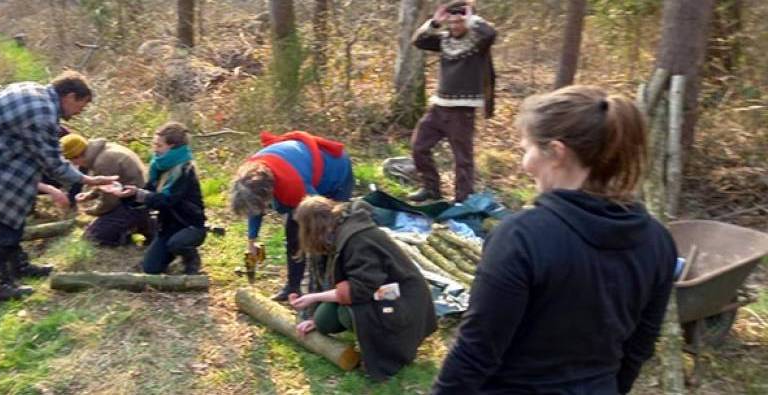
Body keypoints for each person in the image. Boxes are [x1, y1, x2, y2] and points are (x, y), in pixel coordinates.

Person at [433, 86, 677, 393]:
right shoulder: (658, 242)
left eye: (528, 149)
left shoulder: (521, 238)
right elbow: (638, 348)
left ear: (557, 153)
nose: (525, 163)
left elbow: (476, 352)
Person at [0, 70, 116, 301]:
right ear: (70, 96)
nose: (81, 111)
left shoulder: (33, 89)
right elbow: (52, 162)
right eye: (82, 104)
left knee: (12, 219)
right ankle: (1, 285)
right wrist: (88, 180)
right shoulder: (41, 112)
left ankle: (19, 265)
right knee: (6, 226)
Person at [289, 196, 437, 381]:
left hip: (401, 299)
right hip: (379, 291)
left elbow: (359, 290)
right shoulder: (340, 229)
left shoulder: (358, 239)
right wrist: (314, 317)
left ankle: (387, 346)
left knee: (346, 314)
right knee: (323, 319)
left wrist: (313, 297)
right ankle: (364, 329)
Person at [229, 131, 354, 301]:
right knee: (293, 236)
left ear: (268, 192)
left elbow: (320, 214)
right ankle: (293, 287)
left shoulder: (293, 185)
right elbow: (254, 208)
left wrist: (309, 240)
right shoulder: (248, 178)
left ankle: (331, 288)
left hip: (336, 173)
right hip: (301, 173)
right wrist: (252, 240)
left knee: (326, 236)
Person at [409, 0, 497, 203]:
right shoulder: (445, 39)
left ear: (468, 21)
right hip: (439, 107)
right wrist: (435, 22)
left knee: (462, 159)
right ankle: (431, 188)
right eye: (452, 22)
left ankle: (462, 200)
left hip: (462, 111)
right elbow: (419, 41)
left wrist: (472, 18)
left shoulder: (478, 42)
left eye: (460, 22)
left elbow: (491, 34)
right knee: (419, 146)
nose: (456, 26)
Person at [107, 122, 207, 274]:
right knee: (150, 268)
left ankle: (191, 260)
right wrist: (126, 194)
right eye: (154, 145)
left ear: (172, 147)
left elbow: (167, 200)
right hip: (167, 227)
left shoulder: (185, 170)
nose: (155, 149)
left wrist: (139, 194)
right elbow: (147, 195)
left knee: (177, 244)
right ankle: (171, 253)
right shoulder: (158, 168)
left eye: (159, 146)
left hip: (190, 226)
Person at [60, 134, 153, 246]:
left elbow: (110, 200)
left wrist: (93, 211)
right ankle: (142, 224)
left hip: (134, 204)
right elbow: (107, 184)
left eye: (71, 160)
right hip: (134, 198)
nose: (73, 164)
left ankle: (135, 230)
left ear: (77, 156)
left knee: (92, 237)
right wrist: (90, 195)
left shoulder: (103, 162)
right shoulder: (101, 152)